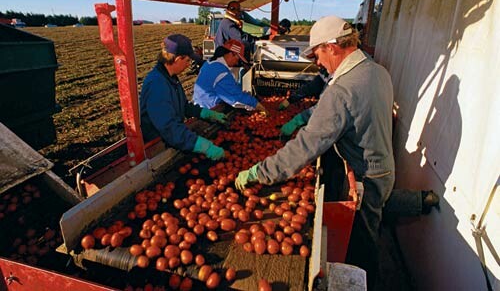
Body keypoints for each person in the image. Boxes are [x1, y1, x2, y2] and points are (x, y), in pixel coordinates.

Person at [234, 15, 394, 288]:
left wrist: (260, 172)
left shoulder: (343, 88)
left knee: (361, 248)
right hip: (384, 168)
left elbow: (307, 145)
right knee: (371, 233)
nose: (318, 62)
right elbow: (344, 111)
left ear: (332, 46)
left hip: (365, 178)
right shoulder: (376, 71)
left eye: (318, 53)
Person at [140, 34, 227, 161]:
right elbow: (168, 128)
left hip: (171, 137)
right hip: (156, 145)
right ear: (177, 59)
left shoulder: (170, 77)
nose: (188, 65)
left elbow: (183, 106)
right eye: (187, 61)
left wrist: (205, 113)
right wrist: (204, 146)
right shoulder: (157, 84)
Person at [193, 39, 268, 114]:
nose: (237, 62)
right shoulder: (221, 71)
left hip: (199, 103)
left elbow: (230, 87)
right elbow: (234, 95)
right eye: (237, 58)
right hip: (210, 109)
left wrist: (241, 92)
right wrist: (256, 105)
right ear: (231, 54)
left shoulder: (210, 63)